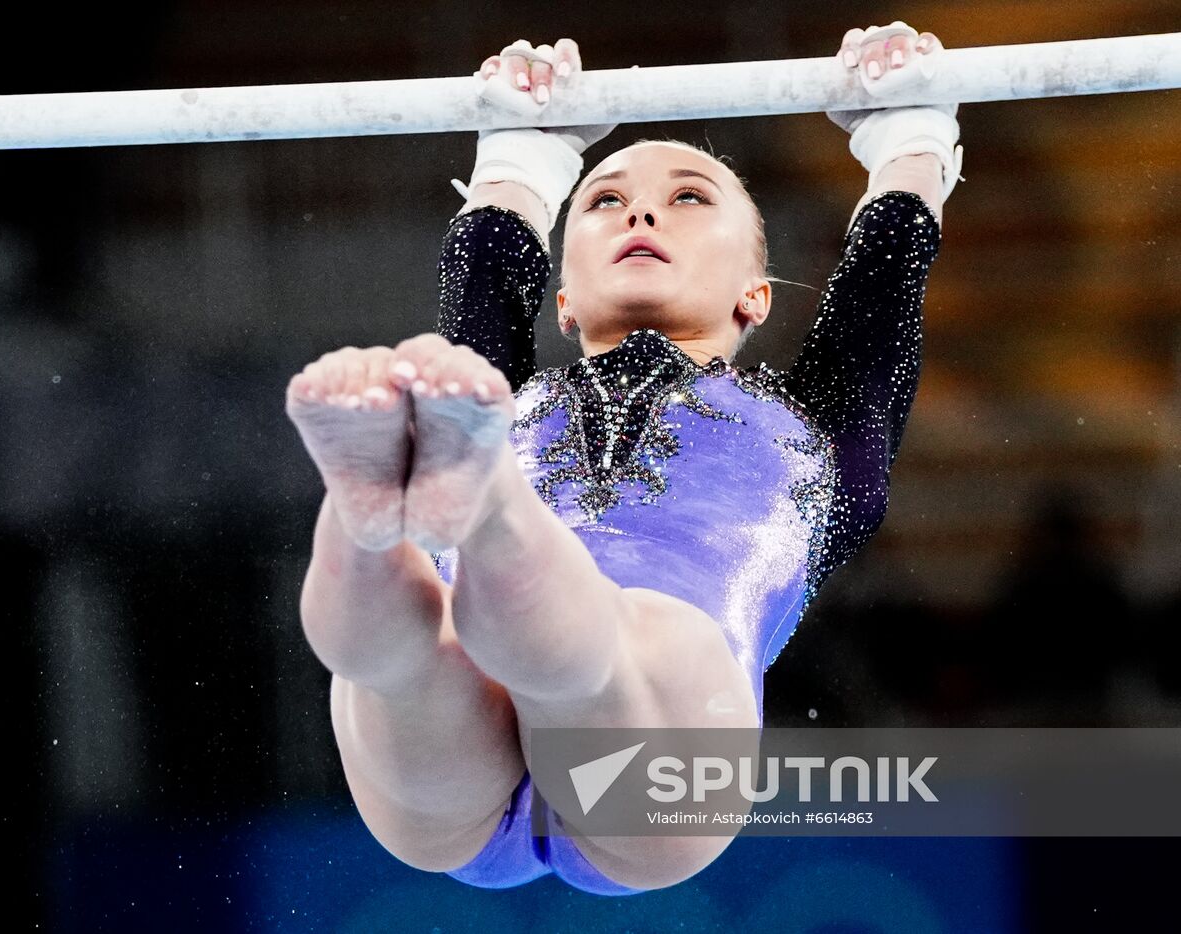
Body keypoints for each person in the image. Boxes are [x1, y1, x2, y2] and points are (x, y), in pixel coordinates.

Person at [284, 22, 961, 895]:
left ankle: (433, 517)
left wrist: (907, 134)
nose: (640, 211)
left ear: (757, 292)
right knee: (407, 651)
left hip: (653, 764)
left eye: (689, 197)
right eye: (603, 200)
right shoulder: (501, 400)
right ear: (561, 299)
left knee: (599, 636)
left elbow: (883, 283)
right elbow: (493, 260)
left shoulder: (818, 425)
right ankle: (377, 520)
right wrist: (525, 150)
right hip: (497, 721)